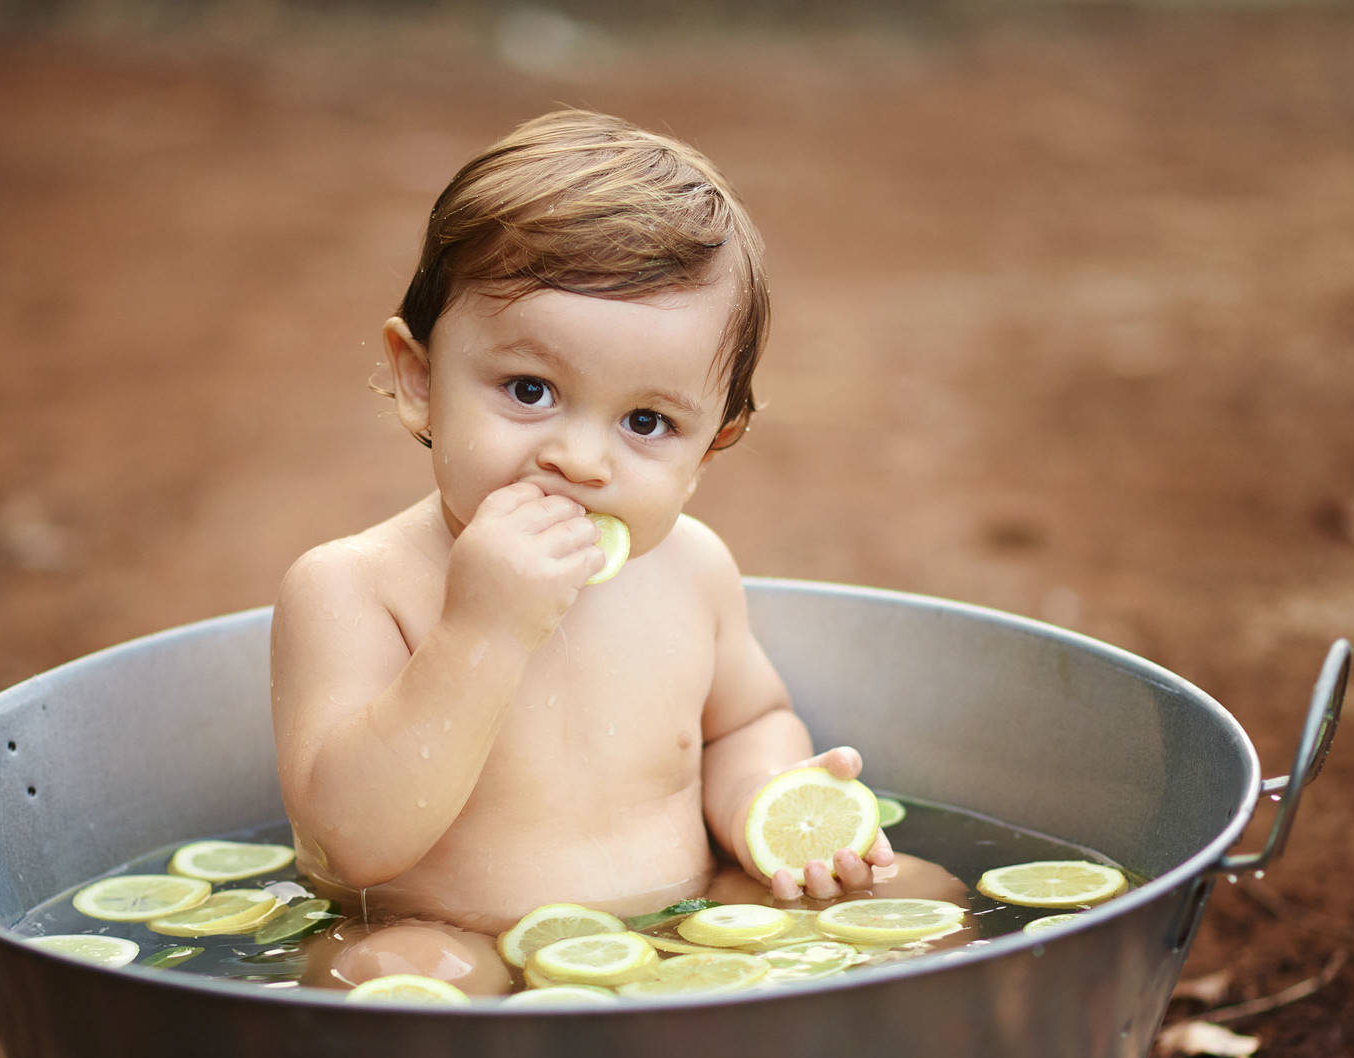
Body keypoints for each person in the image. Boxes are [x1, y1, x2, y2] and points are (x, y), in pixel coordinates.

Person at [271, 110, 942, 994]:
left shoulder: (693, 568)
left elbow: (746, 721)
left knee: (920, 895)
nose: (581, 461)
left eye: (646, 421)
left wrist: (763, 803)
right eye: (530, 389)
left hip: (682, 924)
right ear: (421, 379)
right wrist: (482, 630)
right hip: (447, 930)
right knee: (400, 975)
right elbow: (349, 843)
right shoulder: (354, 588)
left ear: (709, 448)